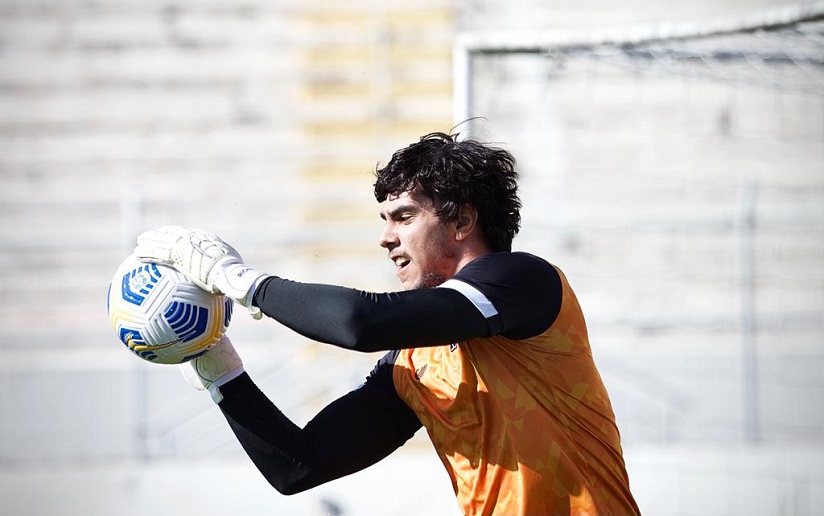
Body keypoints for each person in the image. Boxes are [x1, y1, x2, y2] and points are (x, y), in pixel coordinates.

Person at [133, 132, 641, 516]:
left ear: (462, 222)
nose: (385, 238)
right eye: (383, 220)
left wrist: (236, 279)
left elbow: (362, 324)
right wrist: (217, 367)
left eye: (402, 217)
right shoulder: (416, 363)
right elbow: (299, 465)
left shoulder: (524, 280)